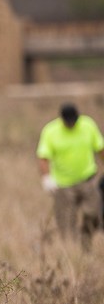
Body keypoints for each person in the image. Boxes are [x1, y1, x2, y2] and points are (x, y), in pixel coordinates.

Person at [37, 102, 104, 248]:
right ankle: (72, 253)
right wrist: (47, 178)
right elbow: (43, 157)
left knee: (94, 213)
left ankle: (86, 241)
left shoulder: (88, 126)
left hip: (88, 180)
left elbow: (100, 148)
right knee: (66, 223)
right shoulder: (51, 131)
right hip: (63, 185)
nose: (71, 124)